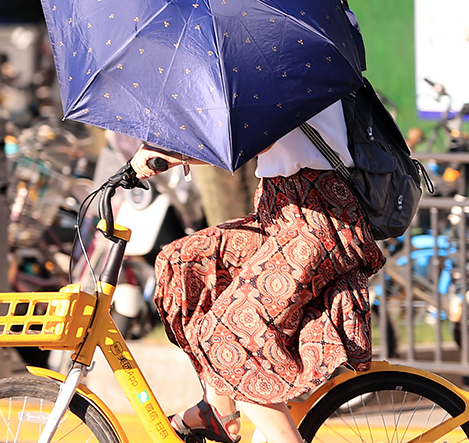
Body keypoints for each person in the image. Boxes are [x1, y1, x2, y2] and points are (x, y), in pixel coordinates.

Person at [130, 100, 384, 443]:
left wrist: (174, 155)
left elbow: (252, 140)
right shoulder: (266, 70)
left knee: (227, 336)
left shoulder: (293, 68)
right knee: (184, 261)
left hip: (317, 224)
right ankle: (217, 408)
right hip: (279, 215)